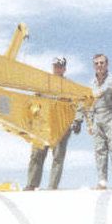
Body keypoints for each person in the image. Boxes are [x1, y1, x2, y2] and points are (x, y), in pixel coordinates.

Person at [25, 57, 80, 190]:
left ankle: (52, 186)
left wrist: (78, 120)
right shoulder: (44, 84)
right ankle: (32, 184)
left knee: (57, 157)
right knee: (37, 155)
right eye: (55, 66)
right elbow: (33, 101)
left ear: (64, 69)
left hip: (61, 126)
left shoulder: (69, 86)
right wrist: (32, 119)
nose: (57, 68)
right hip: (43, 125)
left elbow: (78, 103)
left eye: (60, 66)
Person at [87, 53, 112, 189]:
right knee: (99, 150)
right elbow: (89, 104)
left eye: (102, 63)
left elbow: (109, 89)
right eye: (96, 63)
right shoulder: (91, 83)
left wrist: (97, 93)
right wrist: (89, 123)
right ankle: (102, 180)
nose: (99, 66)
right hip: (98, 119)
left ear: (107, 64)